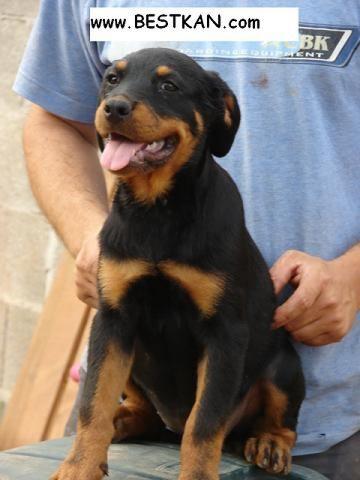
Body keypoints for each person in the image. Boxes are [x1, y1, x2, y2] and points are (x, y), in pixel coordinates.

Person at [14, 1, 360, 478]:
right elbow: (54, 116)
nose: (118, 102)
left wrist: (356, 273)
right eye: (112, 83)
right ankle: (138, 410)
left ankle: (275, 428)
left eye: (168, 87)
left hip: (319, 403)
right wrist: (86, 236)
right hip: (127, 417)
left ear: (221, 117)